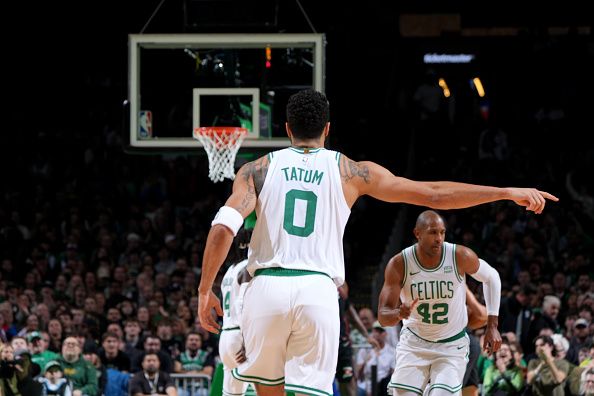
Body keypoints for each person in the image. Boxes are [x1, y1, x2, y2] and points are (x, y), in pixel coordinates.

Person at [197, 89, 557, 396]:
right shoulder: (351, 170)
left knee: (265, 388)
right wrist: (506, 192)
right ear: (327, 129)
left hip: (266, 288)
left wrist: (203, 292)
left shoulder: (255, 170)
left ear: (287, 129)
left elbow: (223, 227)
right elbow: (434, 194)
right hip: (317, 291)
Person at [377, 210, 502, 395]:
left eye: (442, 232)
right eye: (433, 232)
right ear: (417, 233)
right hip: (414, 344)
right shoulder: (399, 263)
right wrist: (398, 314)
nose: (439, 238)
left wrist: (493, 325)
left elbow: (492, 277)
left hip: (451, 345)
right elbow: (383, 316)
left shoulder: (459, 255)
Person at [217, 226, 254, 396]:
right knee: (264, 387)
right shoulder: (249, 267)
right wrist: (247, 341)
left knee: (232, 393)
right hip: (241, 336)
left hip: (226, 336)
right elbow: (243, 304)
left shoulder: (230, 270)